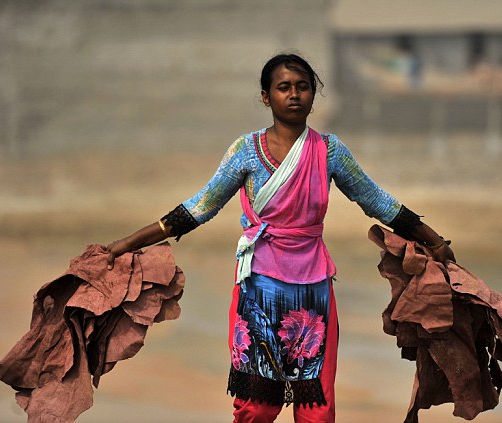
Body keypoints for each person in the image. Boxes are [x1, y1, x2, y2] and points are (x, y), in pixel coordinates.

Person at [105, 53, 455, 423]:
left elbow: (376, 201)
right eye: (283, 87)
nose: (294, 95)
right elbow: (199, 207)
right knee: (256, 408)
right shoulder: (245, 150)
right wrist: (128, 244)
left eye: (302, 87)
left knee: (317, 412)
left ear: (313, 95)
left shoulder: (329, 151)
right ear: (265, 96)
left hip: (314, 290)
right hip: (258, 287)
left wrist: (434, 241)